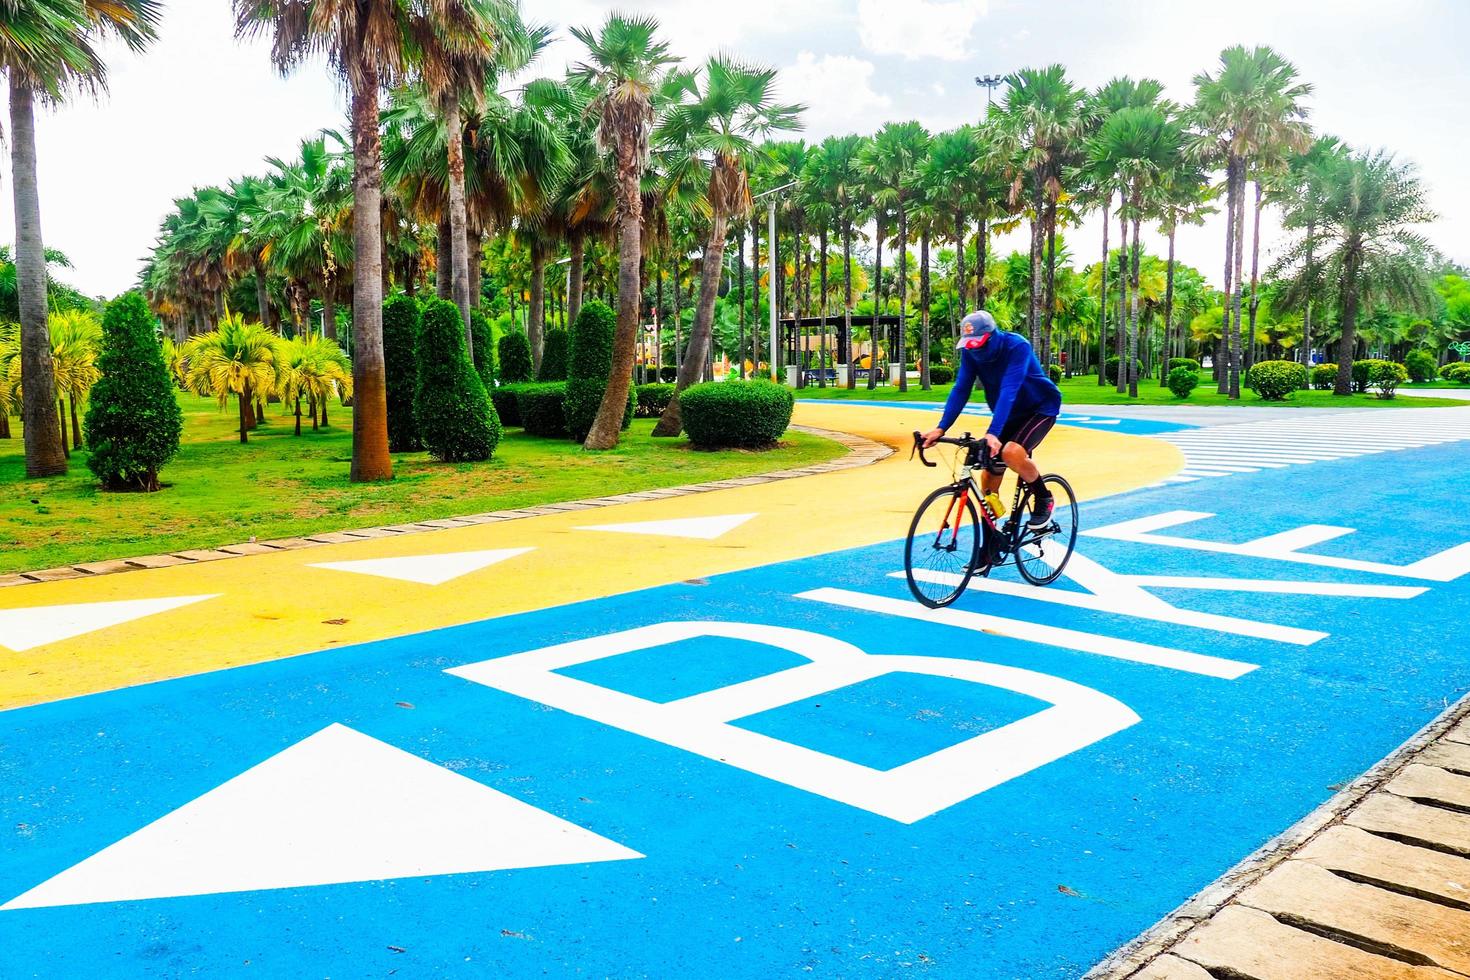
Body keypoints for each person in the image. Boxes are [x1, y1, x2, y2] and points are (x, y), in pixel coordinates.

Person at [921, 310, 1062, 530]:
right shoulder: (970, 352)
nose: (976, 349)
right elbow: (961, 389)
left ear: (993, 335)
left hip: (1039, 408)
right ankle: (989, 545)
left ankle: (1044, 498)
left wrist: (993, 433)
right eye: (970, 345)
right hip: (1008, 414)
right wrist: (941, 428)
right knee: (988, 477)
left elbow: (1009, 389)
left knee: (1011, 452)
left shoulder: (1017, 347)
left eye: (980, 344)